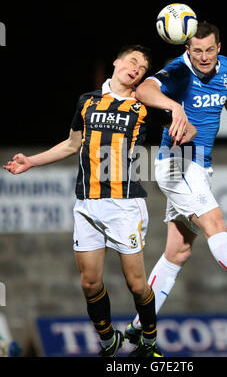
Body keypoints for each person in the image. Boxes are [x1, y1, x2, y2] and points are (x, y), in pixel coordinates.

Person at [2, 44, 194, 358]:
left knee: (137, 284)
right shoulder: (87, 101)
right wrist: (31, 162)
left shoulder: (143, 103)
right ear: (117, 63)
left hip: (124, 204)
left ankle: (148, 340)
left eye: (142, 68)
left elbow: (187, 127)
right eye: (133, 62)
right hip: (87, 203)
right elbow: (71, 144)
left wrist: (180, 116)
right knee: (90, 283)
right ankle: (108, 340)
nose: (136, 69)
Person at [125, 22, 227, 344]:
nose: (203, 57)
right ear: (187, 49)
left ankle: (139, 324)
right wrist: (174, 106)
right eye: (196, 50)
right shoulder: (178, 71)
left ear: (220, 47)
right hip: (178, 162)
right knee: (215, 223)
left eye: (209, 50)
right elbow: (144, 91)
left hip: (199, 166)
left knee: (178, 252)